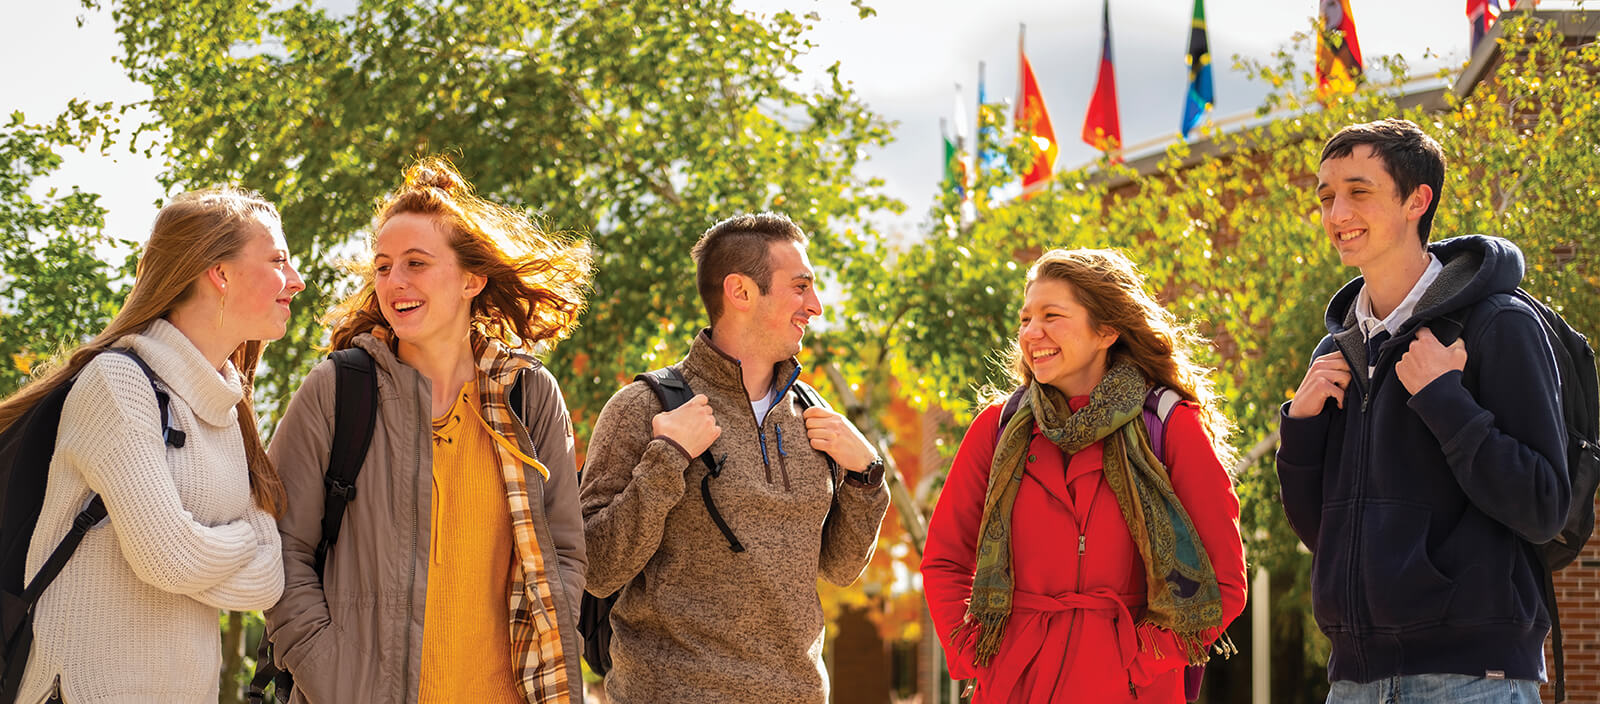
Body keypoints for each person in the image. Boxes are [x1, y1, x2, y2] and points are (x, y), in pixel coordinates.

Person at [264, 158, 592, 704]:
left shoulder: (529, 395)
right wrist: (336, 681)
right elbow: (279, 549)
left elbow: (563, 554)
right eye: (384, 266)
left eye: (416, 263)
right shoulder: (339, 389)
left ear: (471, 278)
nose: (396, 282)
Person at [1277, 118, 1568, 703]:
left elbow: (1543, 507)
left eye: (1359, 192)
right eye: (1327, 196)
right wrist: (1301, 431)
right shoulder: (1338, 352)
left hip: (1471, 680)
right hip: (1354, 681)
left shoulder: (1498, 324)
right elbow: (1324, 533)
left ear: (1417, 200)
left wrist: (1445, 401)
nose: (1337, 214)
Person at [0, 188, 302, 703]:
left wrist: (205, 547)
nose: (296, 281)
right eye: (277, 260)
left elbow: (269, 581)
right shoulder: (117, 384)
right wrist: (242, 542)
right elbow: (169, 560)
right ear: (220, 273)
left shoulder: (228, 407)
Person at [579, 212, 890, 703]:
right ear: (741, 292)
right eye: (801, 287)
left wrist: (867, 477)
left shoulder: (814, 414)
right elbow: (596, 568)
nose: (816, 306)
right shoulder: (642, 407)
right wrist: (667, 458)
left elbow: (840, 567)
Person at [921, 248, 1247, 703]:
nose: (1032, 333)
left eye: (1051, 315)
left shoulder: (1169, 425)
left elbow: (1225, 582)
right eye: (1025, 319)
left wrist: (1138, 662)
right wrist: (977, 654)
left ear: (1107, 330)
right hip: (1015, 686)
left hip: (1131, 689)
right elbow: (945, 559)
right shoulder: (997, 428)